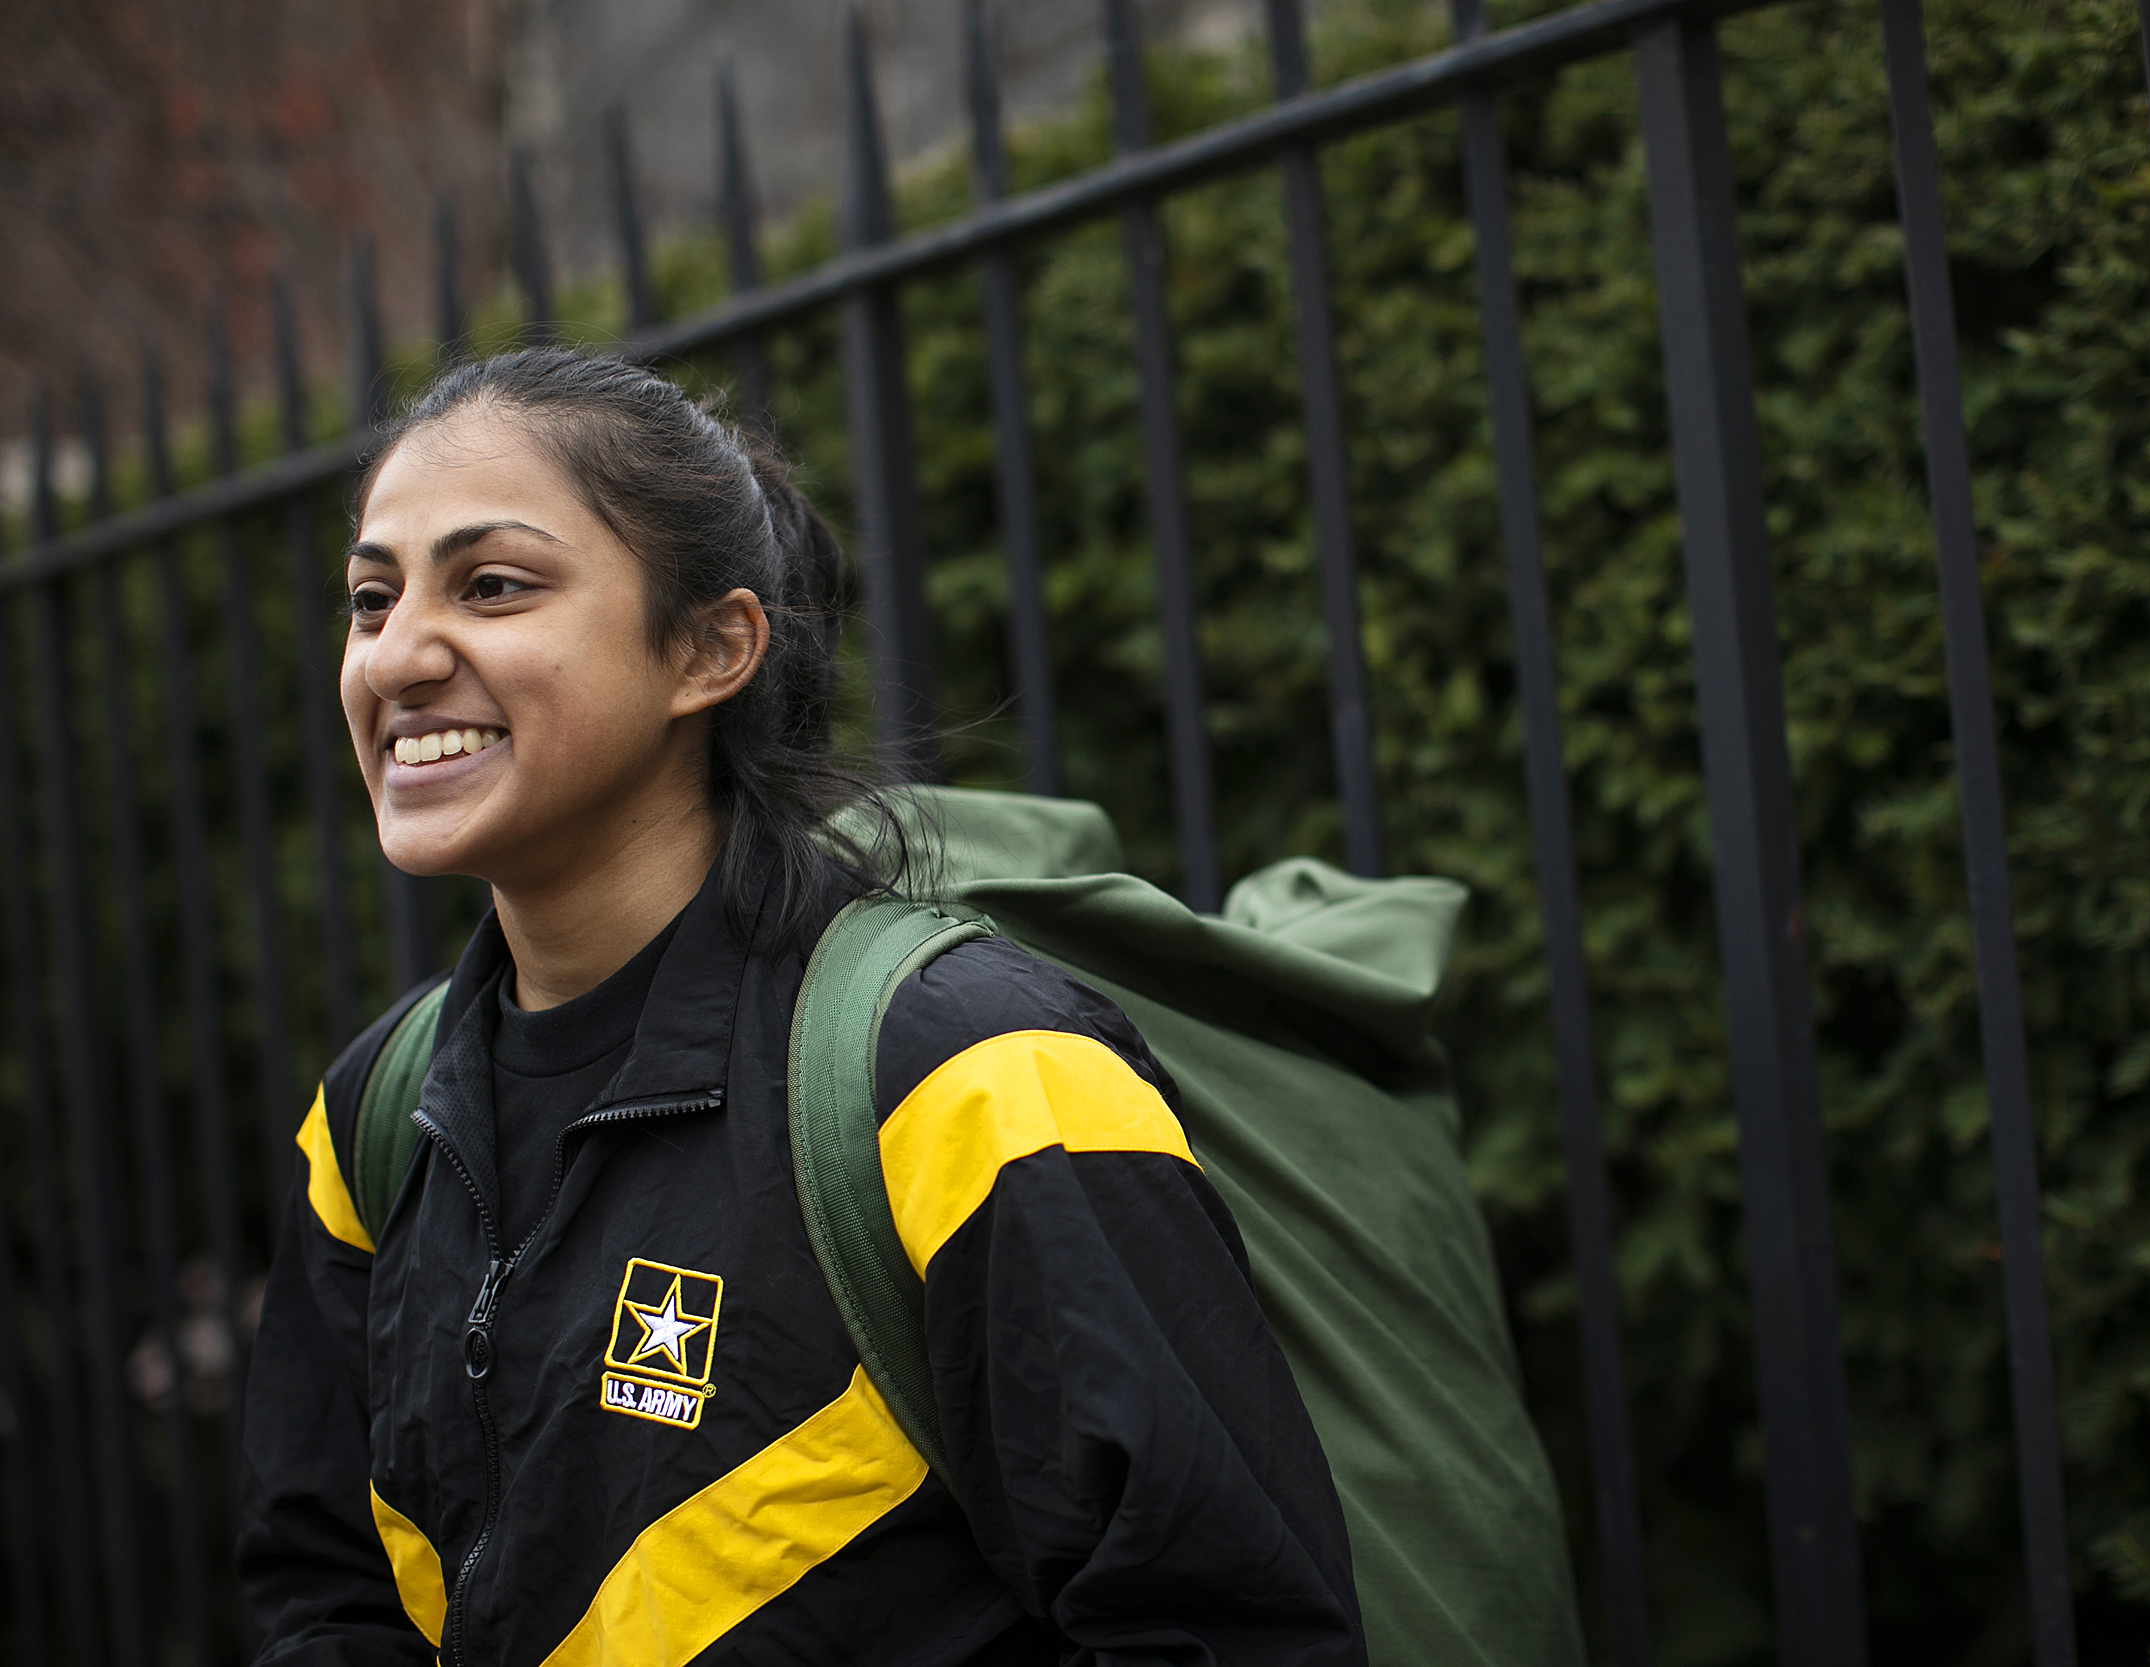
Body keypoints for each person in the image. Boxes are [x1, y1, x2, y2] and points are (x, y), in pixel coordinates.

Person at [238, 347, 1365, 1667]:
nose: (398, 657)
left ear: (711, 648)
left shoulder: (974, 1078)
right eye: (372, 602)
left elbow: (1223, 1629)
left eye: (494, 586)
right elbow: (325, 1604)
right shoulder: (372, 1126)